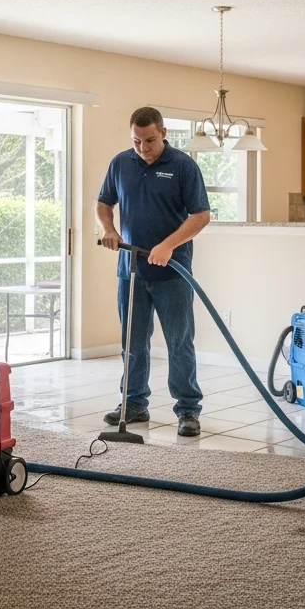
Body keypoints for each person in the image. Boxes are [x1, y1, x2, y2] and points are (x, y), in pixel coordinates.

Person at [96, 107, 212, 436]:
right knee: (132, 343)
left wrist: (169, 245)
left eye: (149, 140)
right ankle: (134, 403)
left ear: (163, 133)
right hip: (131, 270)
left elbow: (201, 215)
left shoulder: (183, 166)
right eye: (136, 141)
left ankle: (188, 409)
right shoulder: (121, 163)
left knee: (179, 343)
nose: (143, 148)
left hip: (172, 273)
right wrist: (109, 229)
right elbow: (104, 203)